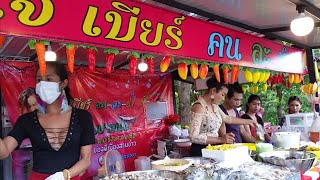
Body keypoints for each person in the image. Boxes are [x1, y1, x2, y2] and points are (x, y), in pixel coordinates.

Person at [0, 62, 95, 180]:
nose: (43, 84)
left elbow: (86, 159)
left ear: (63, 83)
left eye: (49, 79)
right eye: (39, 80)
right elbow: (3, 152)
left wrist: (63, 176)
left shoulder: (83, 117)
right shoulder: (27, 120)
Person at [189, 78, 257, 156]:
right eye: (223, 94)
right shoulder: (199, 107)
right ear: (213, 91)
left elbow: (227, 118)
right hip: (200, 151)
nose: (223, 98)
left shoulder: (215, 106)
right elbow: (193, 137)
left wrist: (249, 121)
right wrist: (221, 139)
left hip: (212, 149)